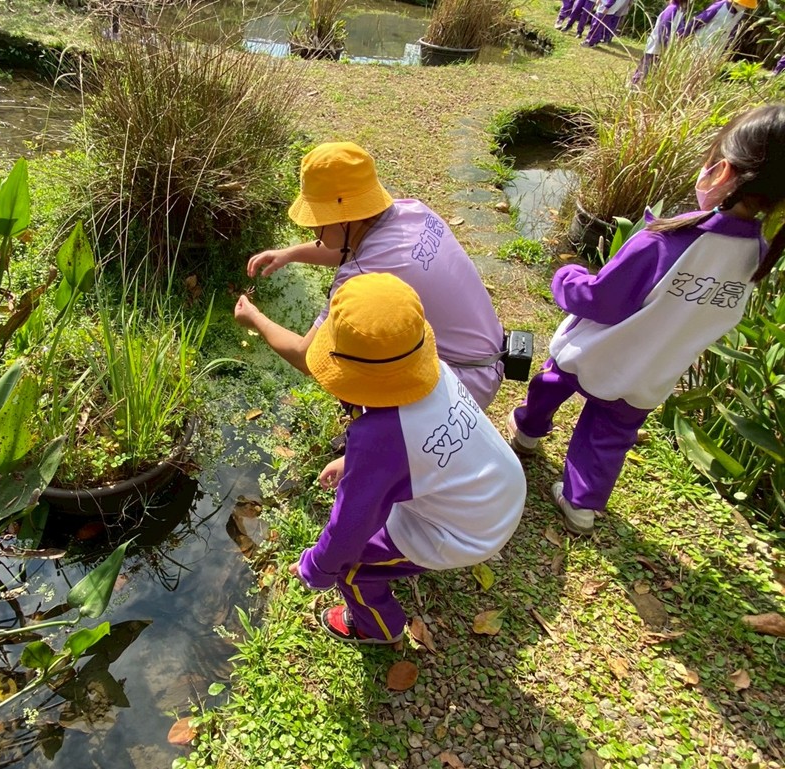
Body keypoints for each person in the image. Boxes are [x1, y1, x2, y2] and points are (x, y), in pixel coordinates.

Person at [507, 104, 785, 536]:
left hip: (596, 351)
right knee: (610, 436)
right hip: (651, 372)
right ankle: (581, 505)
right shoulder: (758, 257)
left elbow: (600, 300)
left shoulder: (666, 240)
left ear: (722, 171)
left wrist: (567, 277)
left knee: (552, 382)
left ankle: (528, 432)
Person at [288, 273, 526, 644]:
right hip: (501, 486)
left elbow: (349, 530)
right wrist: (352, 463)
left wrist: (316, 568)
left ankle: (377, 628)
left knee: (352, 568)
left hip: (471, 532)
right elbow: (411, 445)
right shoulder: (432, 373)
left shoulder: (378, 438)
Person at [234, 142, 505, 409]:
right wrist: (290, 253)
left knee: (354, 358)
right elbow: (354, 247)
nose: (313, 231)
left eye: (316, 221)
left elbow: (305, 356)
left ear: (342, 219)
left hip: (463, 386)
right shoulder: (413, 210)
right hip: (492, 355)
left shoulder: (360, 274)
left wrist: (255, 318)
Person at [631, 0, 686, 84]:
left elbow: (676, 28)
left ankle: (641, 85)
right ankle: (634, 85)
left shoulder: (678, 10)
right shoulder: (673, 8)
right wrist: (665, 43)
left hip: (663, 46)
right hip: (657, 44)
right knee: (645, 67)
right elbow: (664, 26)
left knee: (653, 69)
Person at [681, 0, 756, 49]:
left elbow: (732, 30)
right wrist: (684, 34)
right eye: (744, 6)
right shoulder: (719, 7)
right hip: (701, 42)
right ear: (737, 3)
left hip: (717, 47)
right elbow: (698, 20)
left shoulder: (740, 13)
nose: (745, 8)